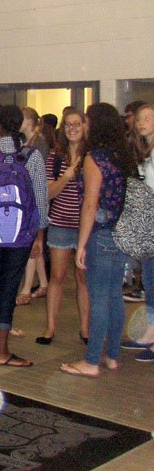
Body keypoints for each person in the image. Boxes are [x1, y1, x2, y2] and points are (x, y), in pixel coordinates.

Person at [61, 103, 137, 376]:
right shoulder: (123, 154)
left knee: (99, 298)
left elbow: (90, 205)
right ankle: (112, 356)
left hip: (101, 234)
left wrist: (81, 244)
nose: (85, 126)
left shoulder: (96, 157)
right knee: (115, 296)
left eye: (88, 121)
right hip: (121, 233)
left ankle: (91, 361)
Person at [0, 105, 48, 367]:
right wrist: (39, 234)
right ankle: (3, 351)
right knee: (9, 287)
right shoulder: (32, 156)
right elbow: (40, 198)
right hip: (21, 234)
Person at [36, 108, 89, 345]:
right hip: (60, 223)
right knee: (57, 276)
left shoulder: (93, 156)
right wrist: (67, 176)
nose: (73, 128)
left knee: (83, 277)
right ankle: (50, 327)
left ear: (85, 126)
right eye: (68, 124)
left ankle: (85, 328)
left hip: (86, 226)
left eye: (77, 124)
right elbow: (48, 193)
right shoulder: (55, 157)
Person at [121, 103, 154, 362]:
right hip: (148, 225)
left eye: (147, 119)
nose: (141, 123)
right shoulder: (142, 152)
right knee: (150, 281)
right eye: (139, 119)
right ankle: (150, 333)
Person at [16, 107, 50, 306]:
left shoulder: (40, 143)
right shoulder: (25, 142)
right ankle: (43, 282)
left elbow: (38, 175)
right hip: (27, 195)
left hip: (35, 196)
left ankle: (27, 288)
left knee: (31, 242)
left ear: (28, 121)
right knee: (35, 243)